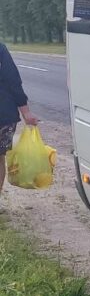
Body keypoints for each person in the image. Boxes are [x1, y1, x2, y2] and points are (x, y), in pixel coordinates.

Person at [0, 42, 40, 191]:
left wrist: (26, 112)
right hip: (4, 113)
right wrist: (26, 112)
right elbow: (13, 80)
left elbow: (12, 80)